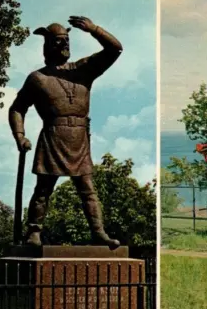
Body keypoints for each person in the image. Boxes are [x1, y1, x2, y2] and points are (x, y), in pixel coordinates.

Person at [8, 16, 122, 248]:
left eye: (67, 40)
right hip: (53, 137)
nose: (64, 45)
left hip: (80, 137)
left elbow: (115, 49)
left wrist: (94, 29)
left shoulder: (84, 70)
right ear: (47, 45)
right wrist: (19, 136)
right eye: (58, 41)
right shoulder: (38, 78)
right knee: (43, 189)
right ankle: (34, 232)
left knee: (88, 190)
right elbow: (17, 108)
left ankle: (98, 232)